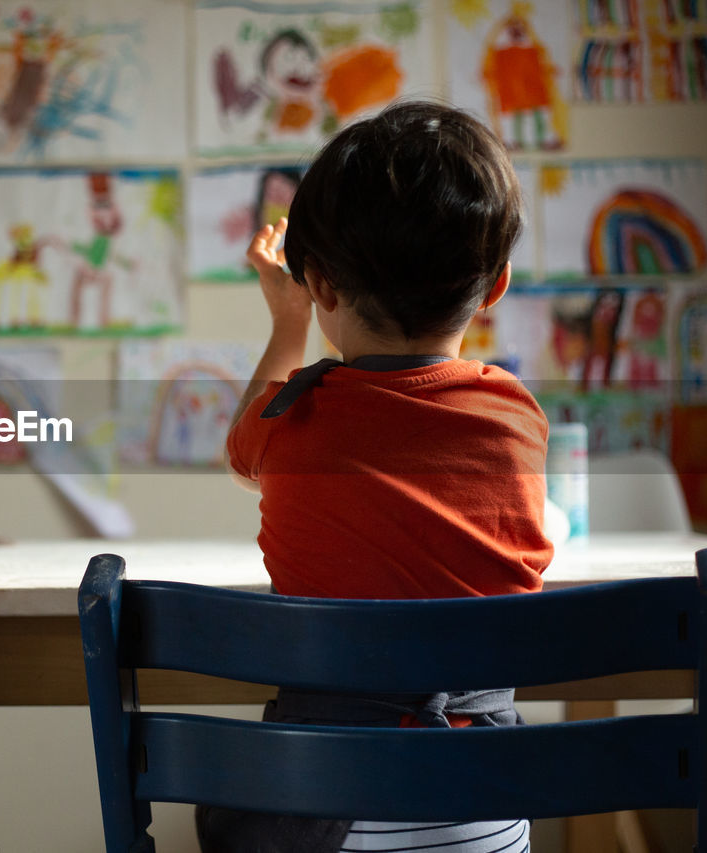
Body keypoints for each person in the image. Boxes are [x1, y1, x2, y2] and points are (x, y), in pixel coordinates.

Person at [205, 101, 554, 852]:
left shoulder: (295, 416)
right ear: (494, 286)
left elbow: (242, 460)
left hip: (325, 806)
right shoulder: (517, 417)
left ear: (321, 282)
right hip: (486, 808)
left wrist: (288, 323)